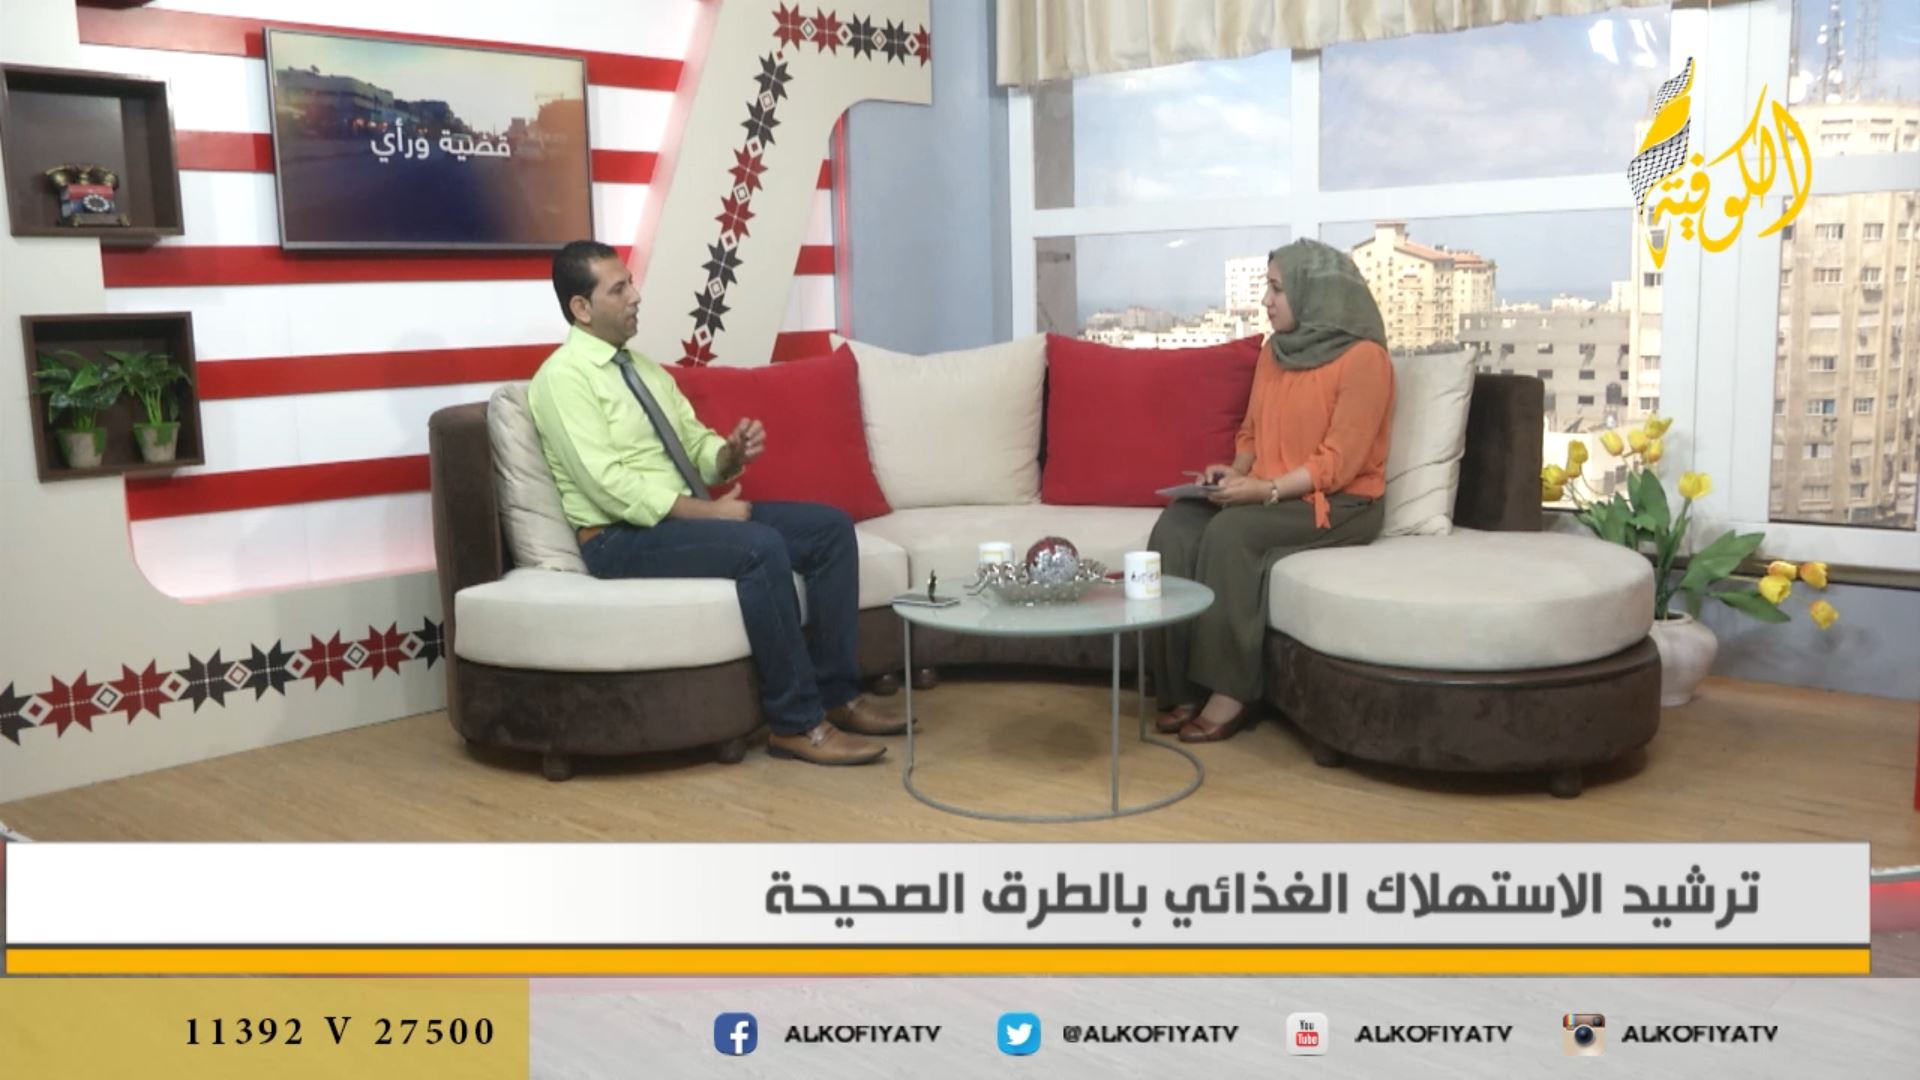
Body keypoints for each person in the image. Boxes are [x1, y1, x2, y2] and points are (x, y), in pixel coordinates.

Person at [527, 240, 905, 766]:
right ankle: (796, 724)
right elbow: (607, 485)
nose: (635, 296)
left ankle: (837, 696)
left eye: (630, 282)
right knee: (759, 548)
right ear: (581, 308)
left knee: (831, 530)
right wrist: (710, 512)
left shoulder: (644, 371)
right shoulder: (562, 379)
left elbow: (695, 445)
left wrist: (729, 454)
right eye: (618, 289)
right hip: (618, 539)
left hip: (677, 522)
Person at [1149, 238, 1394, 743]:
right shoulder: (1274, 353)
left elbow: (1338, 464)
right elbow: (1251, 433)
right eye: (1268, 287)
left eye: (1277, 289)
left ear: (1314, 292)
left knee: (1232, 533)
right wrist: (1234, 472)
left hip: (1340, 502)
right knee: (1177, 524)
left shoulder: (1365, 360)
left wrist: (1263, 492)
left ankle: (1232, 690)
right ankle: (1179, 686)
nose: (1266, 300)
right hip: (1267, 488)